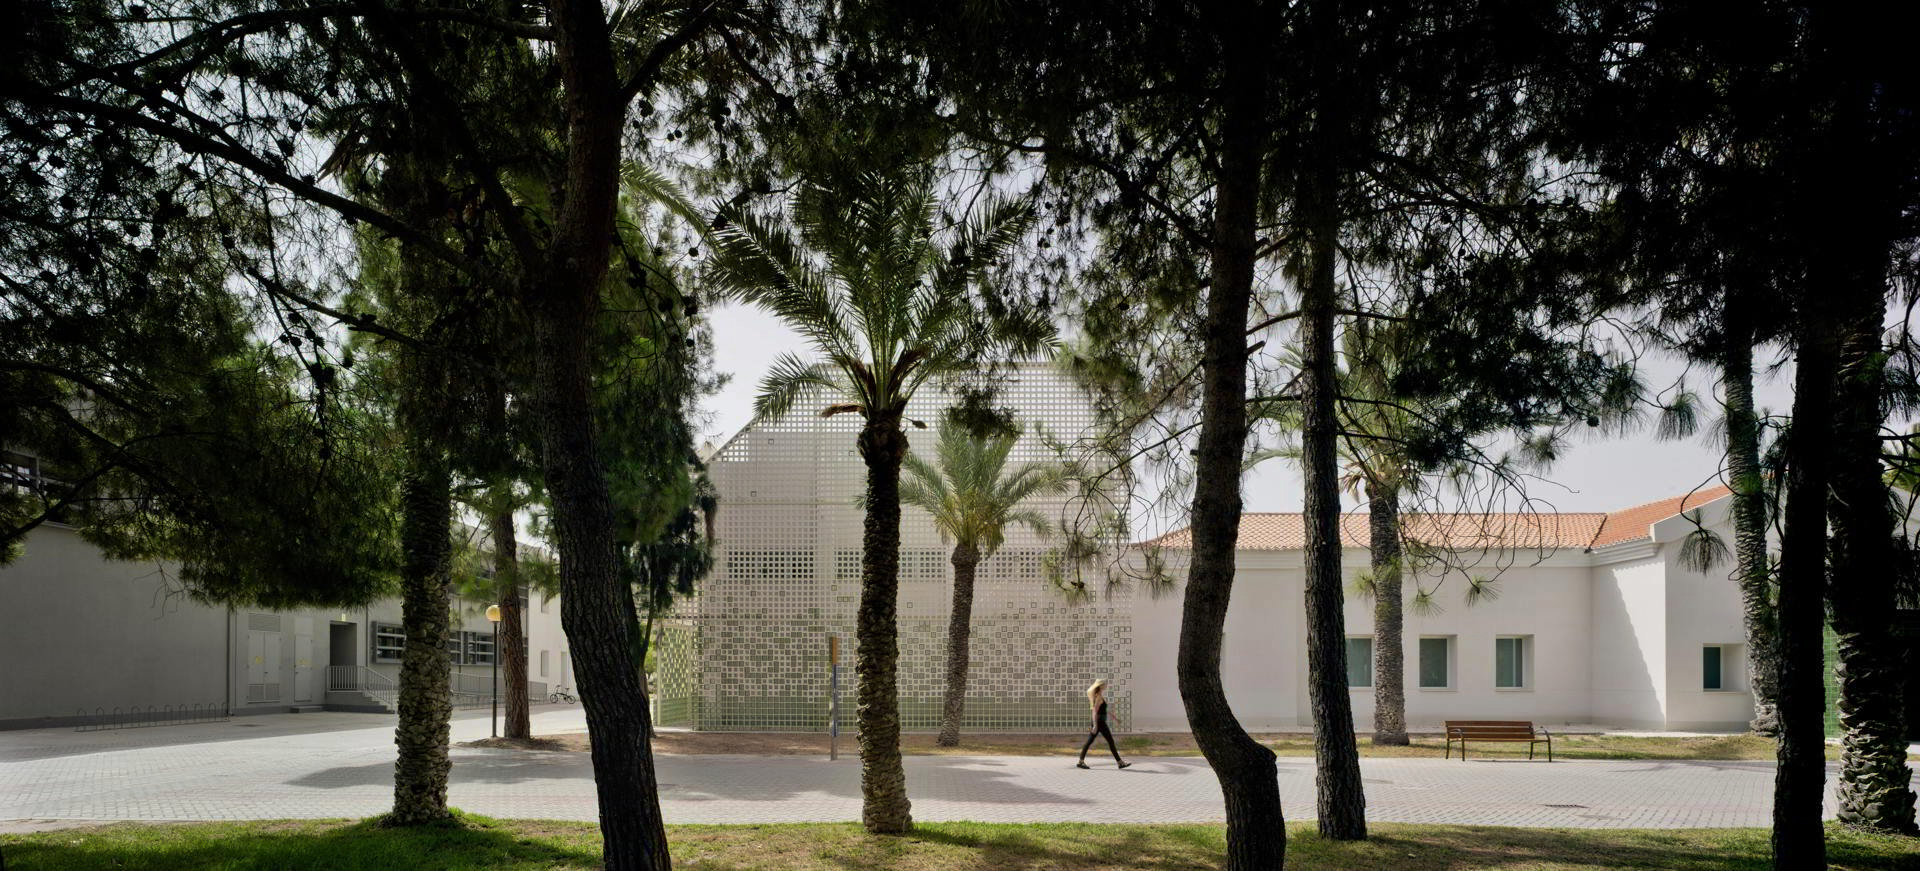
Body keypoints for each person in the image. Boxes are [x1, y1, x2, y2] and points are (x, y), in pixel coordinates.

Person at [1076, 679, 1130, 769]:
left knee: (1090, 741)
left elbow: (1104, 710)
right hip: (1100, 722)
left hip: (1099, 722)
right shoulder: (1098, 697)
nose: (1106, 685)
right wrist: (1095, 725)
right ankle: (1120, 763)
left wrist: (1114, 718)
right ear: (1101, 686)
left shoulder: (1099, 696)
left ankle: (1080, 761)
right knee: (1110, 741)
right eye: (1104, 684)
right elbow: (1094, 711)